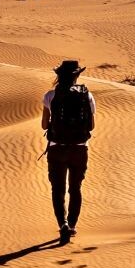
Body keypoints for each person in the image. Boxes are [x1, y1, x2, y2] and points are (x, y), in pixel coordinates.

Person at [41, 60, 95, 242]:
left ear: (59, 76)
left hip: (57, 148)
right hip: (79, 149)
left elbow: (43, 125)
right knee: (75, 188)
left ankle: (62, 224)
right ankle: (72, 225)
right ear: (77, 76)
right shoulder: (86, 95)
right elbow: (92, 125)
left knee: (58, 189)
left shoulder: (49, 96)